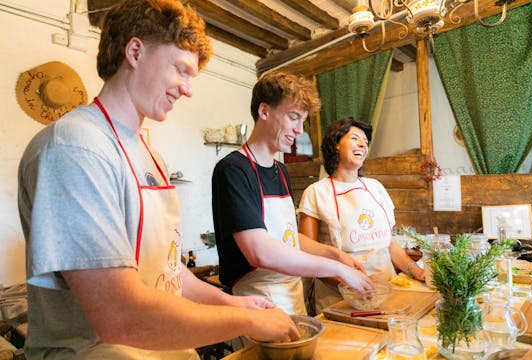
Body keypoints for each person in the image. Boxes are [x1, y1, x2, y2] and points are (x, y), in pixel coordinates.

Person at [17, 1, 300, 358]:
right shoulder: (76, 147)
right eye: (181, 70)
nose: (187, 89)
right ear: (135, 51)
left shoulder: (152, 157)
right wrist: (244, 324)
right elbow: (118, 314)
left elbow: (168, 273)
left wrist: (235, 306)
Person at [212, 71, 373, 316]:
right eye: (293, 117)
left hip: (292, 293)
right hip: (257, 300)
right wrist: (337, 269)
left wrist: (337, 255)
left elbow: (288, 239)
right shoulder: (234, 170)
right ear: (264, 111)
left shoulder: (280, 171)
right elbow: (259, 251)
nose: (299, 130)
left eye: (303, 121)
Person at [297, 116, 425, 313]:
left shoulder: (376, 188)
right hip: (340, 299)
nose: (362, 145)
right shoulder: (316, 192)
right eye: (355, 138)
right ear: (336, 144)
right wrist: (351, 281)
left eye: (365, 142)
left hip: (387, 291)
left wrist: (416, 271)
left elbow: (388, 244)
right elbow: (307, 256)